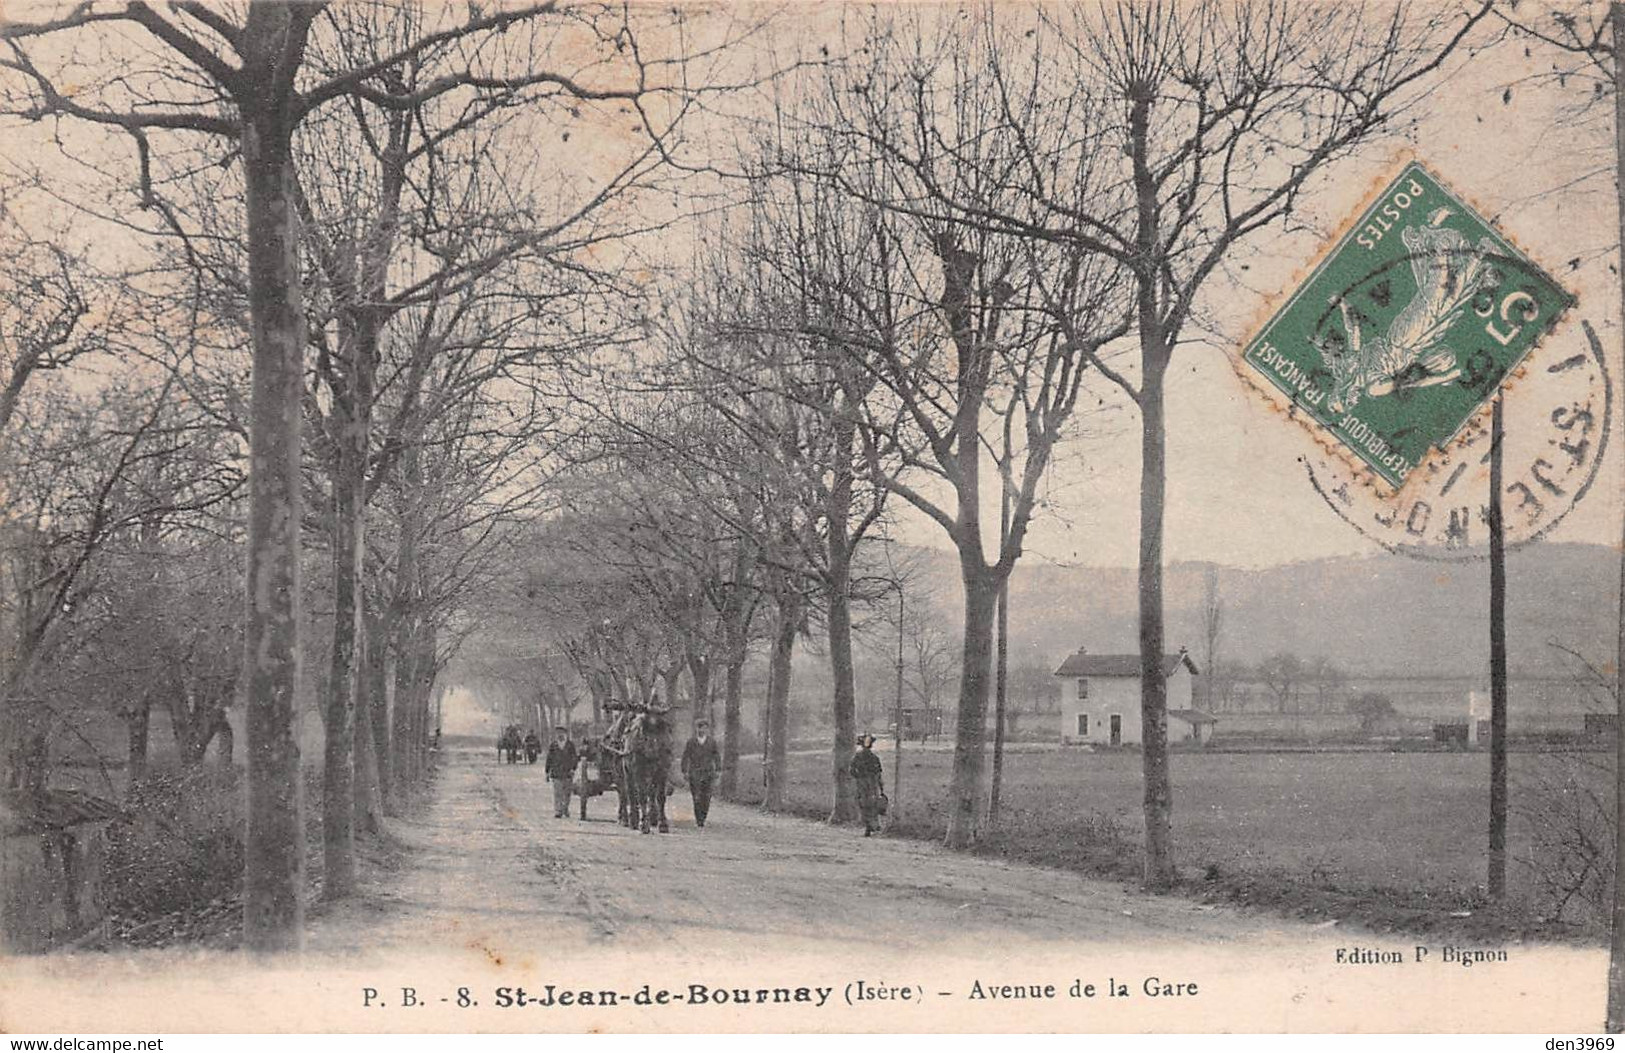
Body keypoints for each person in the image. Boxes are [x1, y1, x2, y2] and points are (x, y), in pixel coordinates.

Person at [680, 718, 722, 829]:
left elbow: (716, 756)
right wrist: (684, 771)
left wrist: (718, 770)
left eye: (703, 727)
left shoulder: (712, 742)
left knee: (706, 797)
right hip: (695, 773)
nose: (701, 730)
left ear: (707, 729)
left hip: (708, 772)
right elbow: (685, 756)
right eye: (699, 727)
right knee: (696, 797)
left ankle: (703, 816)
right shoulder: (691, 742)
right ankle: (699, 820)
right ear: (696, 729)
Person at [849, 734, 886, 837]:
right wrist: (881, 787)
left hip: (863, 782)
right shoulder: (874, 758)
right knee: (872, 803)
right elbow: (878, 774)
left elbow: (852, 770)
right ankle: (873, 824)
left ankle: (869, 825)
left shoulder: (858, 757)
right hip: (872, 783)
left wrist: (858, 777)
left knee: (864, 803)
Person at [544, 726, 577, 819]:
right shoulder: (553, 745)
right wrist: (547, 772)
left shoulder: (570, 745)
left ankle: (565, 808)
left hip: (567, 772)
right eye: (558, 733)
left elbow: (574, 758)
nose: (559, 735)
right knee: (557, 793)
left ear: (565, 734)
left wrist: (573, 768)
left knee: (567, 793)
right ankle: (558, 811)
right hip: (556, 773)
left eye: (561, 733)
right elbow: (549, 759)